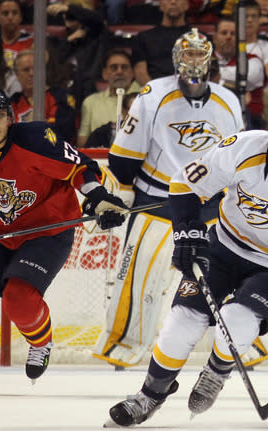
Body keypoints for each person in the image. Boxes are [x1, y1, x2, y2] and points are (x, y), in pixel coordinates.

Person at [106, 93, 268, 427]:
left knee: (235, 322)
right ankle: (150, 395)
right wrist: (187, 231)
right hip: (224, 248)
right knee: (182, 322)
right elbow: (184, 184)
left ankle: (216, 372)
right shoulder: (242, 148)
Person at [0, 87, 128, 394]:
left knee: (19, 299)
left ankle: (41, 342)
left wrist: (98, 199)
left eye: (0, 116)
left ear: (10, 118)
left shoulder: (35, 139)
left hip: (49, 230)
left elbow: (80, 167)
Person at [92, 28, 244, 369]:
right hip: (157, 199)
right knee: (138, 273)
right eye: (186, 54)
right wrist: (124, 191)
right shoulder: (152, 94)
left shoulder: (228, 100)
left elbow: (237, 157)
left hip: (208, 204)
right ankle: (123, 344)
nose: (192, 61)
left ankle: (242, 345)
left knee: (228, 272)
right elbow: (123, 156)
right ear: (177, 58)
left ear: (209, 60)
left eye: (198, 54)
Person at [46, 1, 110, 110]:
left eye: (72, 14)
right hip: (65, 86)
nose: (67, 17)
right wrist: (69, 41)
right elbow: (55, 60)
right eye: (65, 14)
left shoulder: (95, 34)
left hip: (88, 85)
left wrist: (68, 9)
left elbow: (98, 19)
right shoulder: (61, 40)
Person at [77, 49, 142, 147]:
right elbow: (82, 142)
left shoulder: (145, 99)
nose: (119, 71)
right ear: (104, 74)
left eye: (124, 67)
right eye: (113, 68)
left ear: (133, 72)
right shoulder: (90, 102)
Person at [9, 49, 76, 143]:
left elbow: (62, 134)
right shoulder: (12, 103)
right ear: (17, 75)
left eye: (35, 69)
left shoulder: (61, 97)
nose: (31, 73)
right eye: (26, 70)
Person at [213, 16, 266, 129]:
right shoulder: (206, 59)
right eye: (224, 33)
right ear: (215, 38)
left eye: (233, 34)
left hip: (249, 121)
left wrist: (215, 77)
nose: (228, 37)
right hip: (212, 117)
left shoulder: (253, 60)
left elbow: (247, 76)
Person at [131, 0, 190, 86]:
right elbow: (140, 73)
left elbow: (209, 72)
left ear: (187, 5)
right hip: (155, 94)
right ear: (161, 5)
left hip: (191, 93)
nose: (173, 2)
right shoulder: (143, 37)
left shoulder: (199, 38)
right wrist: (156, 94)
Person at [0, 0, 33, 69]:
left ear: (20, 17)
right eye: (5, 13)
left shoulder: (32, 42)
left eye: (14, 13)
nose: (10, 17)